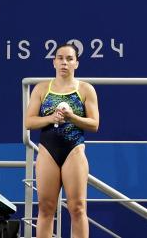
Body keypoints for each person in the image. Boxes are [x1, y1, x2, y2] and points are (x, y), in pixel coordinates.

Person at [25, 42, 100, 238]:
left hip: (74, 150)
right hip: (48, 151)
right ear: (54, 62)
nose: (64, 63)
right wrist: (51, 118)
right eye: (60, 58)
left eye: (69, 59)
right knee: (45, 208)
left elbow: (94, 124)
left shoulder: (85, 89)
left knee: (78, 208)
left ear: (76, 63)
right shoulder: (42, 89)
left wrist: (72, 118)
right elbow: (28, 122)